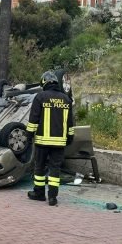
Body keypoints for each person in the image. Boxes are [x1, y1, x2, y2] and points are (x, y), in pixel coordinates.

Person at [25, 70, 75, 206]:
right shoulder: (66, 99)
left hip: (42, 141)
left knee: (39, 167)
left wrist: (28, 137)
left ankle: (39, 193)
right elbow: (70, 122)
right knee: (55, 169)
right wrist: (70, 136)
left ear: (44, 83)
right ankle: (52, 197)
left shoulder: (40, 97)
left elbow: (33, 120)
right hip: (59, 143)